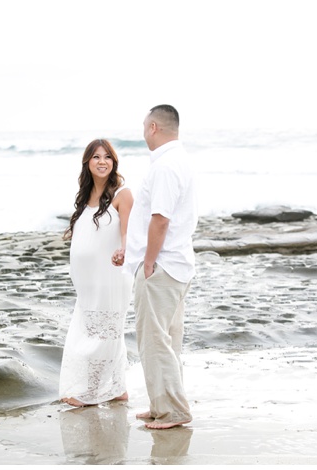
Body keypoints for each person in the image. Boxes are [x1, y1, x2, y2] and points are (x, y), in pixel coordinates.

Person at [122, 104, 198, 429]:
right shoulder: (178, 160)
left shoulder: (166, 166)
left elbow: (160, 220)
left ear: (153, 127)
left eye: (143, 126)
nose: (142, 133)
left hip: (163, 267)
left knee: (154, 340)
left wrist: (148, 262)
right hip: (177, 265)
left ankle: (173, 411)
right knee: (168, 339)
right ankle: (161, 404)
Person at [59, 138, 134, 407]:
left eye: (107, 157)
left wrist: (124, 250)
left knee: (106, 333)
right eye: (96, 157)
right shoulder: (85, 197)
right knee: (93, 330)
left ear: (114, 162)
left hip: (111, 276)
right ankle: (117, 388)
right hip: (88, 282)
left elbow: (128, 231)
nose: (102, 161)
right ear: (87, 163)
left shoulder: (122, 194)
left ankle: (91, 391)